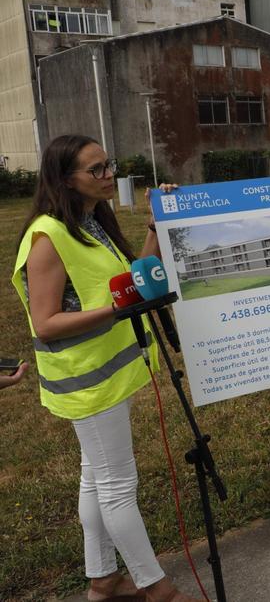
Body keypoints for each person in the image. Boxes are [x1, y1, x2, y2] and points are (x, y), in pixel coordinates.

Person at [11, 135, 198, 601]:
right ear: (65, 181)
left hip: (107, 373)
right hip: (86, 381)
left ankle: (103, 580)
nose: (108, 175)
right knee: (117, 483)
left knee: (96, 476)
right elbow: (47, 322)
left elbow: (138, 278)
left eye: (107, 164)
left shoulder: (92, 222)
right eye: (95, 170)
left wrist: (156, 224)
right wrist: (116, 310)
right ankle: (156, 588)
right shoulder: (48, 237)